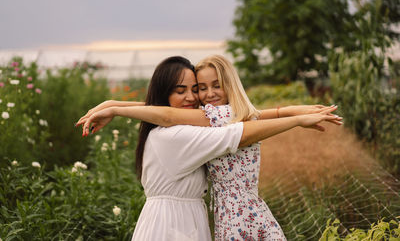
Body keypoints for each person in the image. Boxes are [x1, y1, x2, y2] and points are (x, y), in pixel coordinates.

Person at [77, 56, 341, 240]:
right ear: (164, 94)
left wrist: (115, 104)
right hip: (174, 224)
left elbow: (244, 115)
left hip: (187, 218)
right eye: (183, 90)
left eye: (196, 89)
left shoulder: (194, 121)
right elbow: (236, 132)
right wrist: (295, 119)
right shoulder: (175, 135)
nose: (195, 97)